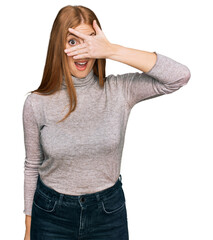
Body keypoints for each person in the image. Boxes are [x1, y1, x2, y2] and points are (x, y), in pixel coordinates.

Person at [22, 4, 191, 240]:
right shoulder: (36, 103)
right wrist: (29, 229)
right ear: (58, 47)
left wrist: (112, 50)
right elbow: (32, 165)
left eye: (90, 41)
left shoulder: (120, 90)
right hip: (51, 215)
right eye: (73, 41)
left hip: (107, 214)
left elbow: (179, 76)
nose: (83, 52)